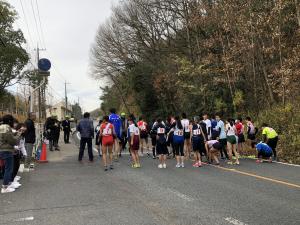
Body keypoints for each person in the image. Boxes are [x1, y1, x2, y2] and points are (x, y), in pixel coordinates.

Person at [0, 115, 23, 194]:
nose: (13, 123)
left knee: (6, 168)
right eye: (12, 121)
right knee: (8, 169)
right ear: (9, 121)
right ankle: (5, 187)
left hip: (2, 150)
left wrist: (16, 132)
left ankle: (7, 184)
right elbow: (13, 141)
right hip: (6, 150)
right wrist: (19, 134)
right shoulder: (6, 128)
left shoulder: (2, 127)